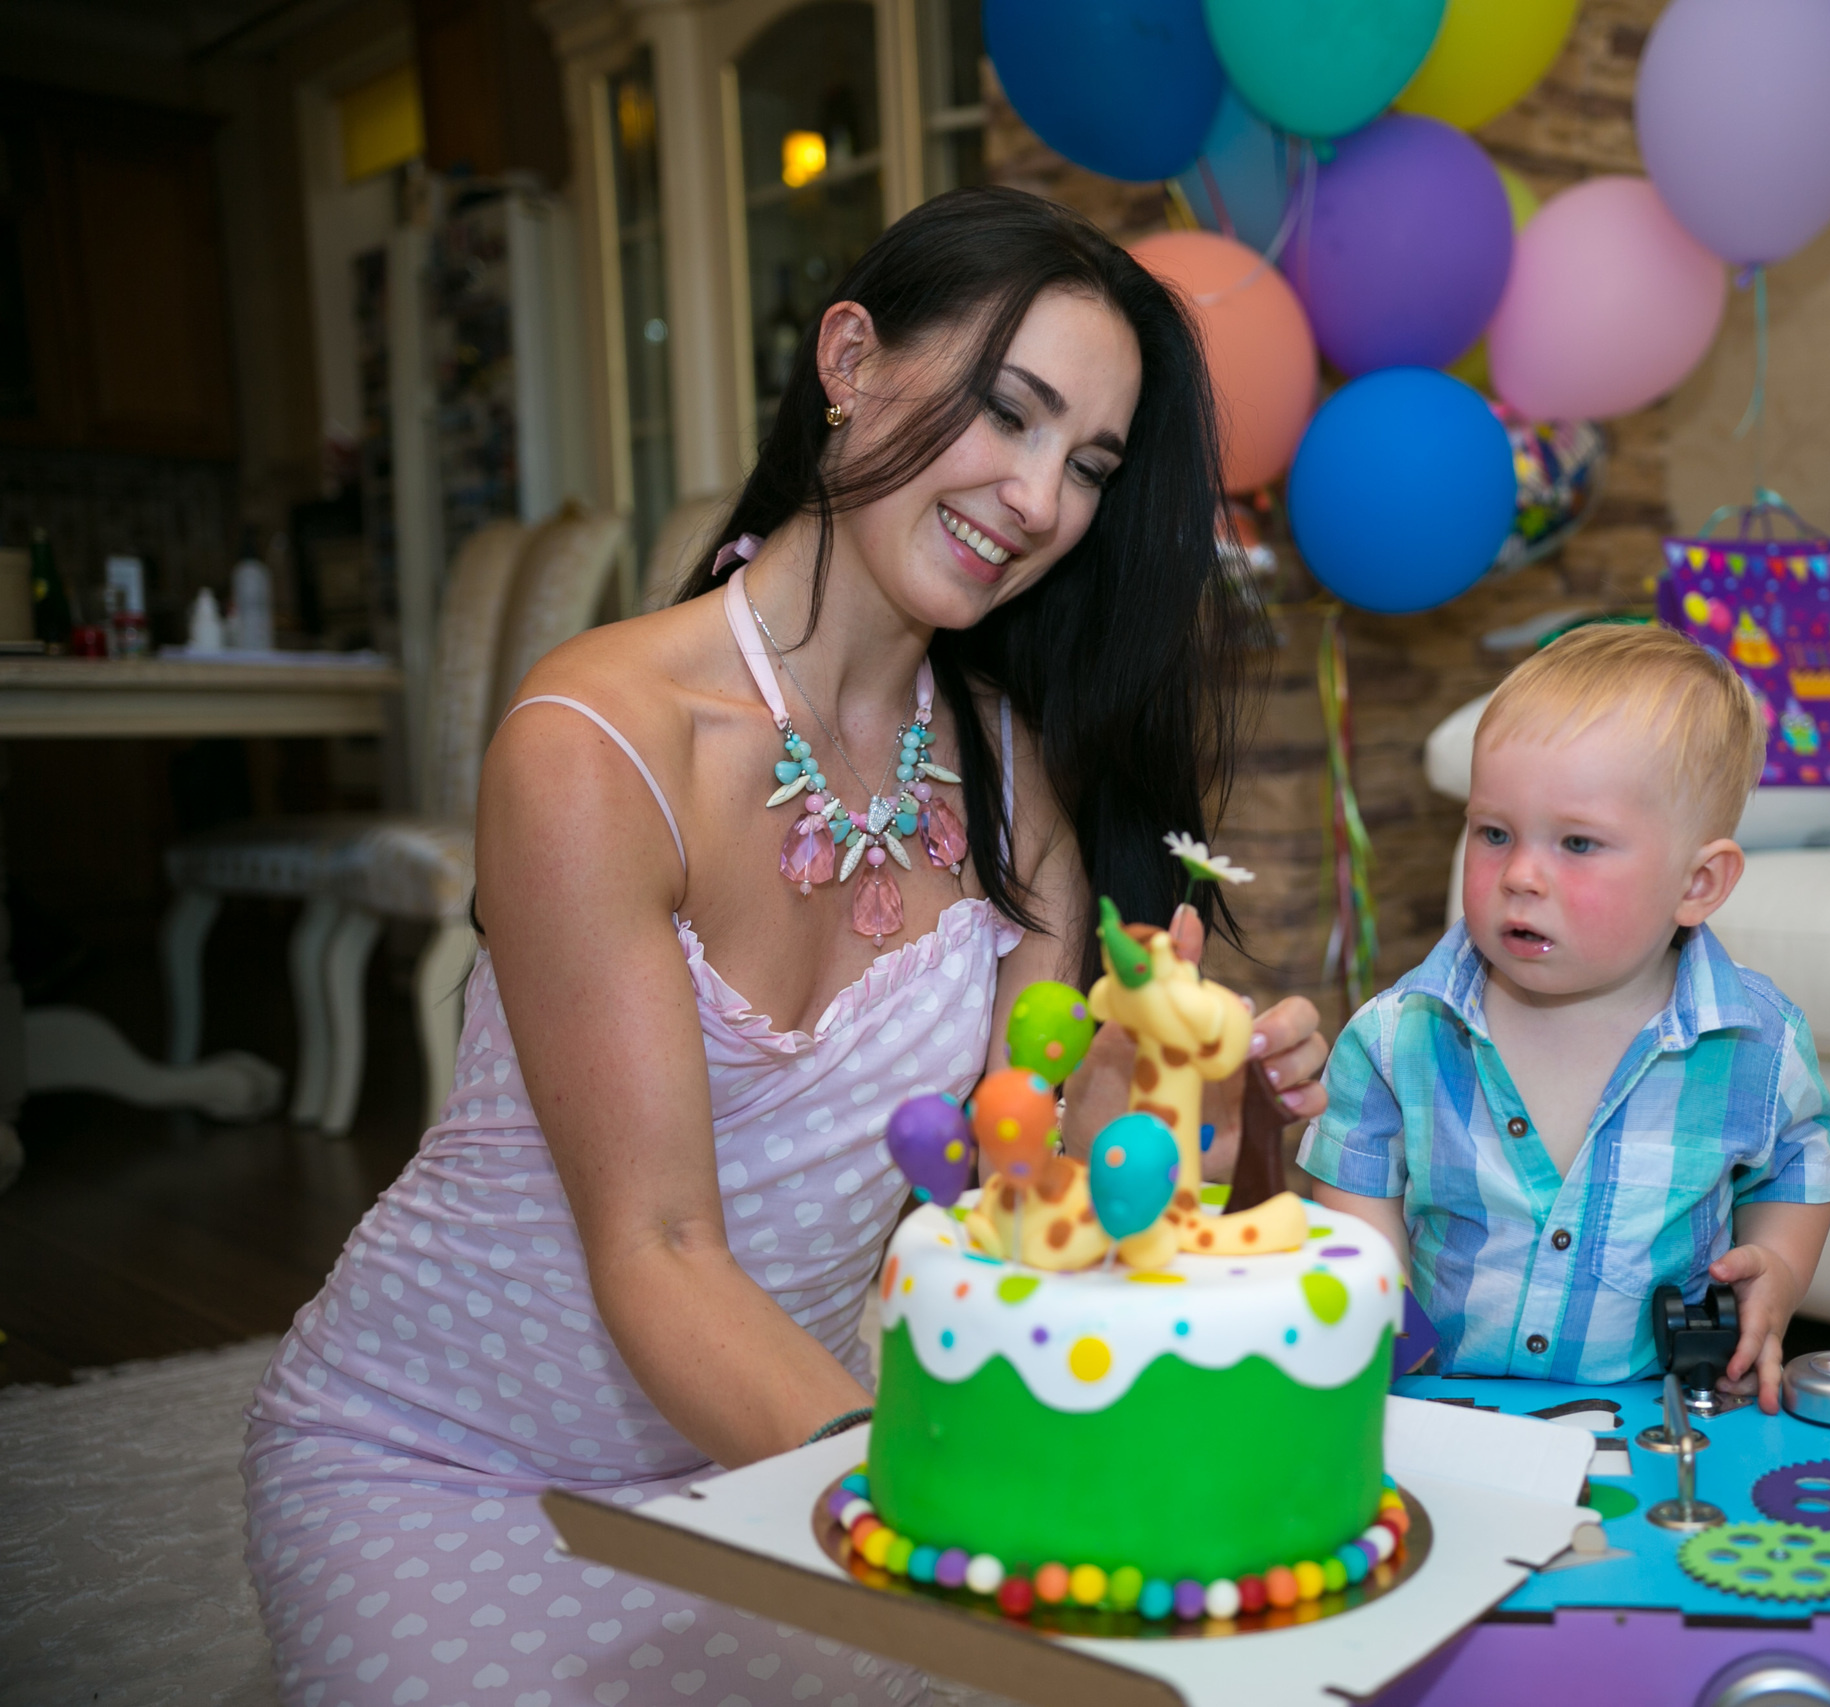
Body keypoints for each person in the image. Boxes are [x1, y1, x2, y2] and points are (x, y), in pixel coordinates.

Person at [240, 186, 1332, 1707]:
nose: (1035, 498)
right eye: (1006, 414)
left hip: (795, 1442)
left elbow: (1040, 1200)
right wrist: (922, 1520)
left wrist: (1204, 1087)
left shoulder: (1016, 778)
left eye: (1085, 465)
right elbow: (661, 1245)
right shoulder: (596, 741)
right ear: (849, 358)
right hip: (449, 1457)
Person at [1300, 624, 1830, 1401]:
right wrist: (1378, 1306)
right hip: (1442, 1395)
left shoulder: (1755, 1041)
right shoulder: (1398, 1034)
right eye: (1494, 833)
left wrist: (1780, 1271)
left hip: (1660, 1410)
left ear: (1698, 884)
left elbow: (1800, 1161)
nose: (1520, 874)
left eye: (1578, 844)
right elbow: (1354, 1185)